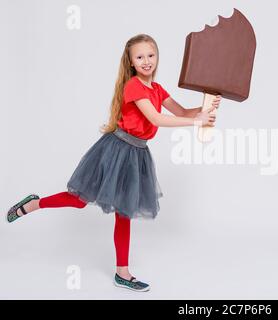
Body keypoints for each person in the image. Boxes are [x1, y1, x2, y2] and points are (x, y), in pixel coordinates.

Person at [6, 34, 221, 292]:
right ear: (131, 62)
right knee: (79, 199)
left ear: (157, 57)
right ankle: (34, 204)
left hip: (137, 154)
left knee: (124, 212)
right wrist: (196, 121)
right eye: (139, 57)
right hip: (116, 150)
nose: (146, 61)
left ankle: (122, 273)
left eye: (150, 55)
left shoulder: (158, 89)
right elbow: (156, 119)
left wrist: (204, 110)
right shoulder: (134, 87)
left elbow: (181, 112)